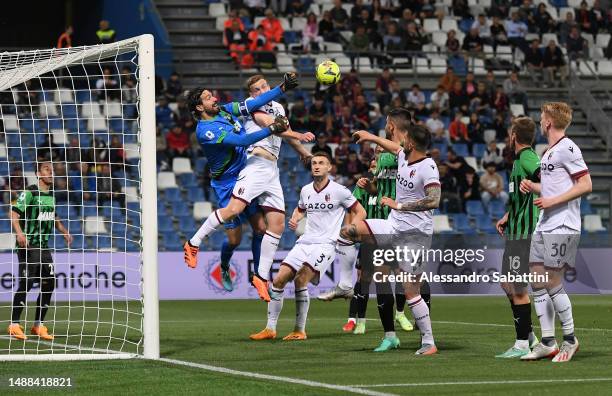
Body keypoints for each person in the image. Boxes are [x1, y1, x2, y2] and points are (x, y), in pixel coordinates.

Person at [183, 72, 299, 301]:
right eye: (208, 98)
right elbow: (242, 141)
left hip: (247, 173)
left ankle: (260, 277)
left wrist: (282, 88)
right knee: (235, 238)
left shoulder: (224, 109)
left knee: (260, 228)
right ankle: (218, 260)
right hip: (227, 182)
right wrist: (271, 129)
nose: (214, 98)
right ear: (199, 107)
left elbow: (253, 103)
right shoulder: (206, 130)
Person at [347, 115, 440, 356]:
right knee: (352, 231)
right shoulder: (403, 157)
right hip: (392, 226)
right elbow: (392, 146)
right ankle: (343, 282)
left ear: (411, 144)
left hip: (415, 235)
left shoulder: (427, 166)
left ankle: (428, 342)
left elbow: (434, 200)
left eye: (405, 139)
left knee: (411, 291)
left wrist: (400, 206)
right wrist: (369, 136)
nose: (401, 142)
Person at [249, 152, 366, 341]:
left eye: (321, 163)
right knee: (278, 281)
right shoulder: (306, 190)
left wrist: (351, 227)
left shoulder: (340, 191)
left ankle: (299, 330)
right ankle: (270, 328)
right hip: (304, 242)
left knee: (300, 279)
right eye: (314, 163)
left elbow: (360, 211)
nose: (317, 166)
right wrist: (295, 218)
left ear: (329, 167)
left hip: (325, 245)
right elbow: (301, 209)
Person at [520, 102, 592, 362]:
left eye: (542, 117)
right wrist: (534, 187)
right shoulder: (549, 152)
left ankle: (570, 340)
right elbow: (554, 189)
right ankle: (548, 342)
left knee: (551, 281)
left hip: (563, 223)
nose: (540, 120)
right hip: (545, 222)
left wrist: (553, 201)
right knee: (536, 281)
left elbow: (586, 184)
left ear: (549, 121)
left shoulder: (568, 148)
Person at [8, 162, 72, 341]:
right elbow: (13, 213)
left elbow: (54, 216)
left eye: (52, 171)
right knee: (27, 282)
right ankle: (14, 324)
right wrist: (19, 234)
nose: (51, 173)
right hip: (28, 246)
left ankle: (38, 325)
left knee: (49, 284)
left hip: (44, 247)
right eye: (47, 170)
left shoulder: (51, 196)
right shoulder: (29, 192)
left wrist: (64, 231)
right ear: (38, 173)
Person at [494, 116, 540, 358]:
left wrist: (536, 186)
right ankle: (530, 336)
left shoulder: (528, 158)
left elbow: (548, 179)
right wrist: (508, 215)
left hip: (524, 234)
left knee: (517, 287)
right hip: (515, 230)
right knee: (506, 284)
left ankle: (522, 342)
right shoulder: (518, 162)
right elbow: (522, 198)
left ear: (513, 136)